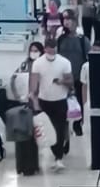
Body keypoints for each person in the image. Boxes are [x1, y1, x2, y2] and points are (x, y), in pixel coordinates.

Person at [29, 34, 74, 170]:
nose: (51, 52)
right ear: (45, 49)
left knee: (60, 129)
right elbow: (34, 81)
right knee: (48, 129)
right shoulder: (38, 63)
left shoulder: (64, 62)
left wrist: (61, 82)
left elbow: (70, 80)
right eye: (48, 49)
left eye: (53, 49)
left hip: (60, 100)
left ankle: (59, 157)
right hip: (45, 101)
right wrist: (33, 96)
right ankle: (55, 152)